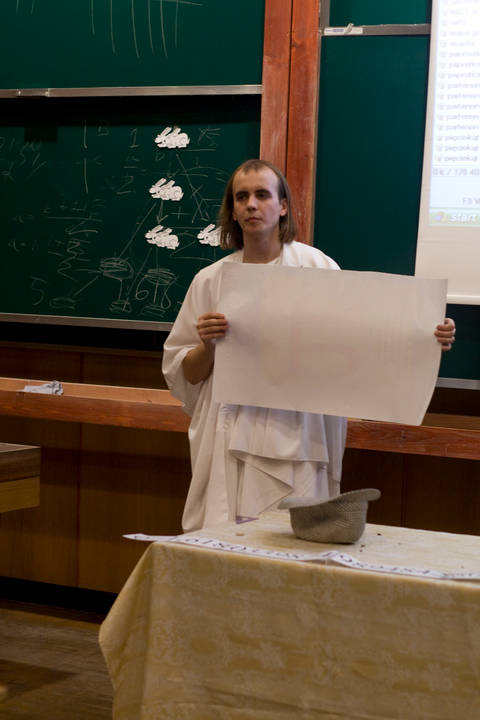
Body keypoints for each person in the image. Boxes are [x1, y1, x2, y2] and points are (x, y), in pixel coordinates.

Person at [162, 159, 456, 532]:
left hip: (299, 432)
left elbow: (362, 338)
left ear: (282, 205)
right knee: (231, 536)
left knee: (290, 536)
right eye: (242, 197)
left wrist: (427, 336)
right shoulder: (210, 281)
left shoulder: (317, 268)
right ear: (232, 211)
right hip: (230, 429)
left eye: (262, 194)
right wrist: (208, 346)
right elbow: (186, 375)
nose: (252, 204)